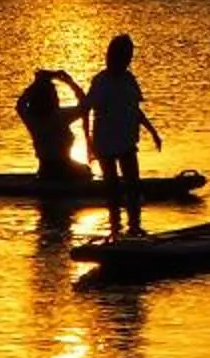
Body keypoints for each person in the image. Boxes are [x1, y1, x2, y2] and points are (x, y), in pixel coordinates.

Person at [83, 32, 161, 238]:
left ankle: (134, 228)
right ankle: (115, 229)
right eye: (125, 56)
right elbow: (87, 108)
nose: (128, 60)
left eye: (129, 56)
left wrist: (152, 131)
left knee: (133, 186)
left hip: (126, 140)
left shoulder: (129, 80)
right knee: (113, 188)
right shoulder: (101, 81)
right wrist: (87, 142)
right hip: (105, 142)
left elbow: (135, 110)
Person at [14, 67, 86, 187]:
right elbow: (85, 105)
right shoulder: (61, 116)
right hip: (65, 170)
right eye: (55, 94)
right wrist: (70, 82)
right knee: (86, 171)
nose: (57, 97)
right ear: (52, 98)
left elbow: (20, 104)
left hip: (44, 171)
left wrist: (36, 84)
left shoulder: (31, 118)